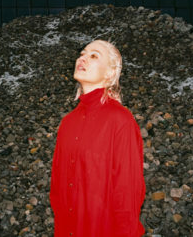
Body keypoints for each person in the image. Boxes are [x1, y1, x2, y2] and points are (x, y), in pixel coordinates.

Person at [50, 39, 145, 237]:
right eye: (82, 53)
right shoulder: (67, 123)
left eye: (93, 56)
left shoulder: (120, 120)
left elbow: (127, 193)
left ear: (110, 73)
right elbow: (57, 190)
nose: (82, 58)